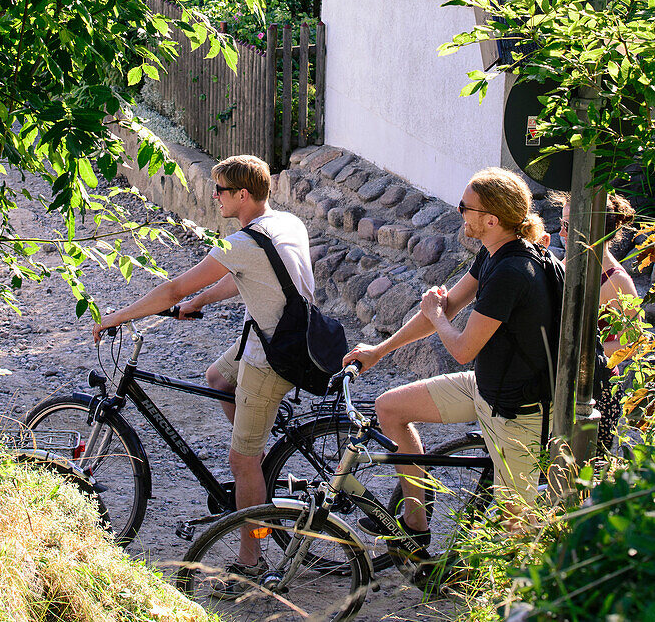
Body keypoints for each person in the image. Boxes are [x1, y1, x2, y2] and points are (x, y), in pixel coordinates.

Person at [93, 153, 314, 583]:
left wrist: (118, 317)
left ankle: (251, 562)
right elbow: (245, 276)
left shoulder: (243, 243)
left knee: (240, 460)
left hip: (273, 356)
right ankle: (258, 460)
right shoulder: (285, 223)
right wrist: (199, 302)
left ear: (243, 195)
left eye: (220, 191)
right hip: (283, 333)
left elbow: (174, 285)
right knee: (217, 378)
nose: (214, 197)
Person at [344, 167, 555, 548]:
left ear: (491, 219)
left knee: (516, 530)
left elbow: (460, 348)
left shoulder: (513, 269)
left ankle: (506, 603)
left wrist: (437, 314)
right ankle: (415, 523)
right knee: (390, 408)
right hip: (487, 387)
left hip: (518, 409)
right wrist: (380, 350)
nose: (459, 212)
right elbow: (447, 307)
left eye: (464, 207)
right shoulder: (493, 254)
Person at [553, 191, 638, 452]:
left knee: (581, 477)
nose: (561, 233)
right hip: (564, 384)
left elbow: (633, 343)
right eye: (561, 223)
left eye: (568, 225)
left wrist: (586, 352)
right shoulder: (572, 261)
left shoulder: (617, 281)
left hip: (595, 394)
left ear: (591, 229)